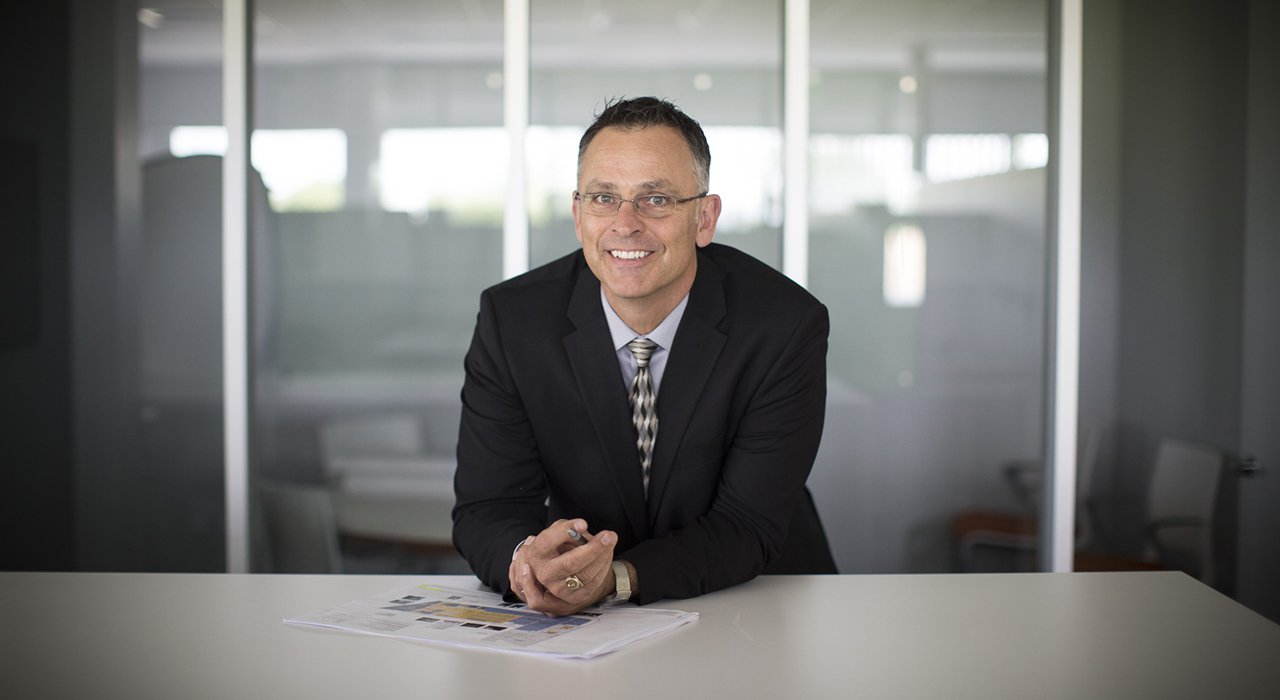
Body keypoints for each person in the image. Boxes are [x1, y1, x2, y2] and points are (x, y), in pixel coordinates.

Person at [452, 96, 836, 616]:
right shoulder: (512, 322)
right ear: (577, 214)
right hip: (581, 619)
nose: (625, 224)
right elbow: (488, 507)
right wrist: (528, 565)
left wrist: (614, 580)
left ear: (704, 218)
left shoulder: (784, 326)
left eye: (656, 200)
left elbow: (745, 523)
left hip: (755, 602)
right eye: (604, 198)